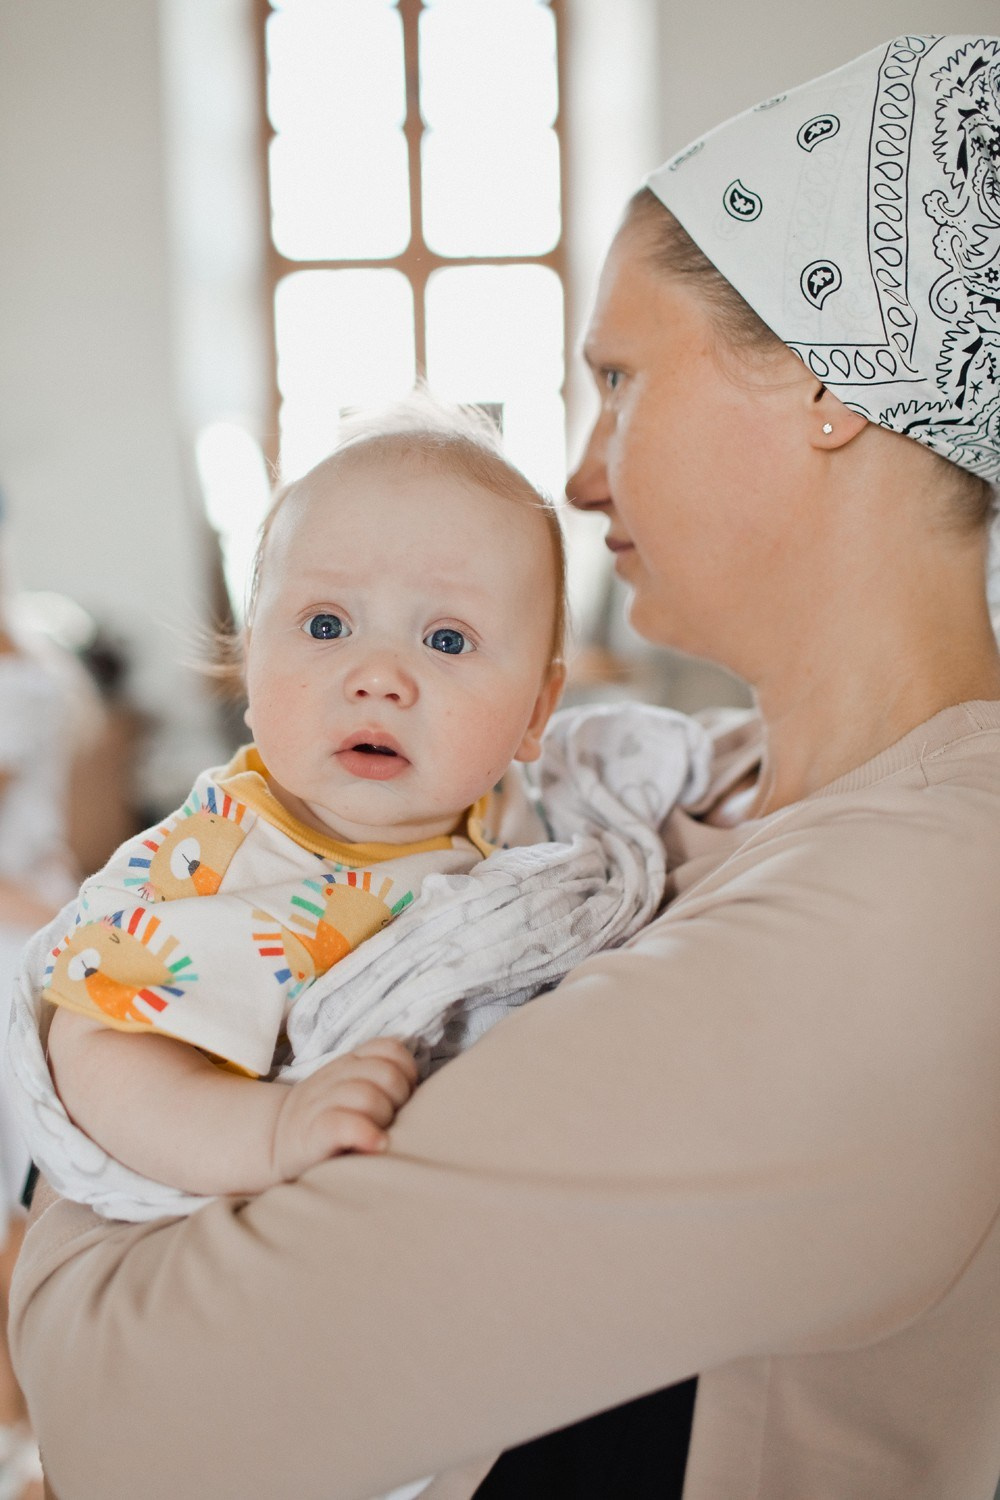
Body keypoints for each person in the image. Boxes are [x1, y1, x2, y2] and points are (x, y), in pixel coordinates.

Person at [8, 32, 1000, 1500]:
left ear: (822, 386)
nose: (587, 472)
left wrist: (82, 1109)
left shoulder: (921, 897)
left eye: (621, 380)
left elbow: (134, 1407)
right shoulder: (695, 783)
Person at [8, 400, 709, 1225]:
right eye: (327, 625)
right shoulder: (228, 859)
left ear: (534, 713)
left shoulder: (517, 819)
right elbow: (96, 1050)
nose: (378, 676)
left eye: (447, 641)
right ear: (251, 657)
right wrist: (272, 1128)